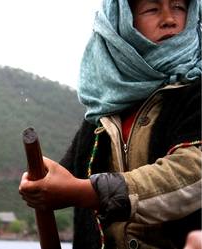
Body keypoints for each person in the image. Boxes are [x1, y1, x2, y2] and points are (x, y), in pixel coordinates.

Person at [19, 0, 201, 248]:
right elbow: (65, 179)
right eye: (152, 9)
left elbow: (191, 174)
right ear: (122, 23)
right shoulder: (103, 112)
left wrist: (87, 193)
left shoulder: (195, 93)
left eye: (179, 6)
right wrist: (39, 184)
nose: (170, 18)